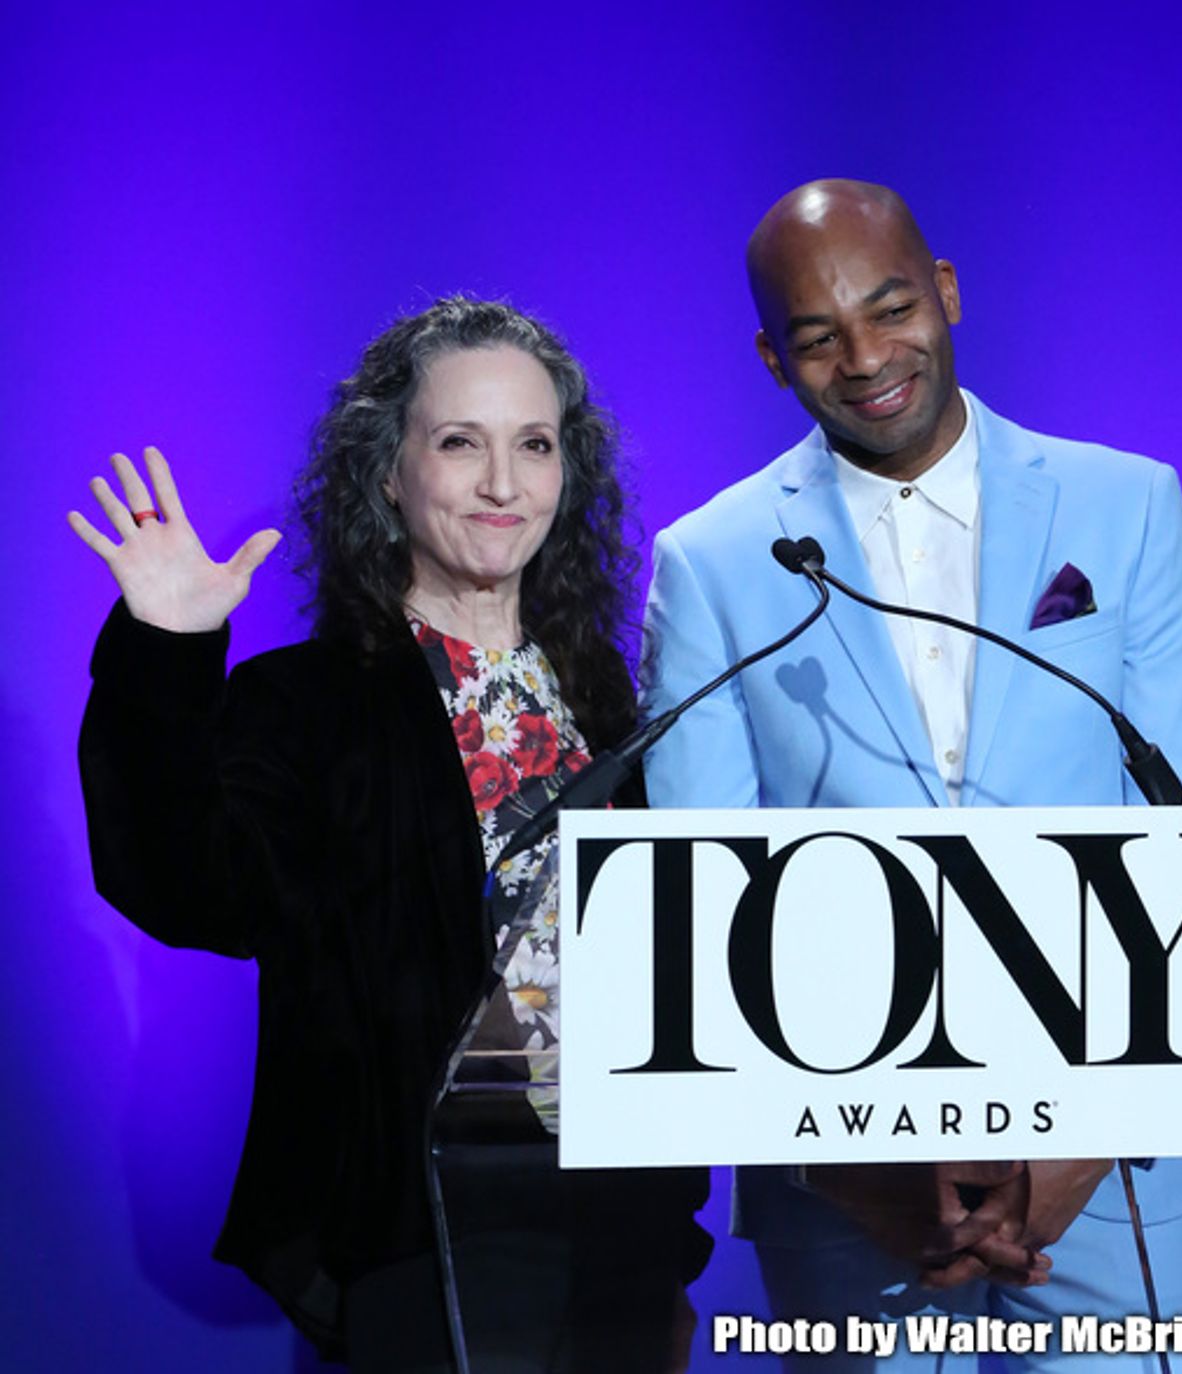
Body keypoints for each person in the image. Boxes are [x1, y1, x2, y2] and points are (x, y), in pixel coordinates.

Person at [641, 180, 1182, 1370]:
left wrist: (1084, 1137)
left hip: (1111, 1171)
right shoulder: (707, 563)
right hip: (844, 1189)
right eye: (816, 337)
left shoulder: (1124, 506)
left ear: (947, 292)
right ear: (772, 359)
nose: (865, 357)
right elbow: (700, 891)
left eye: (889, 307)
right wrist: (854, 1162)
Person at [71, 297, 710, 1373]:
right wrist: (167, 651)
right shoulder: (307, 701)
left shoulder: (620, 702)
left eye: (535, 445)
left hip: (623, 1233)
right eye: (461, 442)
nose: (504, 485)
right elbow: (190, 889)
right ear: (386, 471)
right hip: (417, 1229)